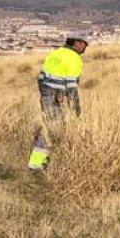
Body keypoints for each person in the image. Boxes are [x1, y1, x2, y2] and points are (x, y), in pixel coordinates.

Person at [29, 32, 89, 171]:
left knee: (52, 127)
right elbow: (72, 87)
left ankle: (43, 163)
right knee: (52, 129)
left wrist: (46, 94)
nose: (85, 48)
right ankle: (36, 165)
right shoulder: (75, 59)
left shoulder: (55, 54)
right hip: (56, 95)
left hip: (46, 93)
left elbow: (41, 77)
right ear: (78, 43)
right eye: (85, 44)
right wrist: (75, 109)